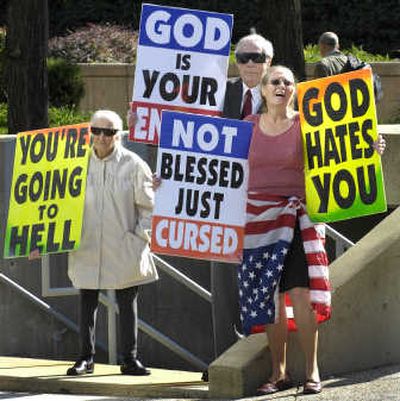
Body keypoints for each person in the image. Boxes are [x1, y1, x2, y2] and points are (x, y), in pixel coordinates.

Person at [240, 65, 385, 395]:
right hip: (259, 223)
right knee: (271, 299)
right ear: (262, 89)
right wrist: (162, 183)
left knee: (302, 297)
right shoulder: (246, 127)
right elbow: (213, 168)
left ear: (294, 90)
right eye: (275, 81)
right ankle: (278, 373)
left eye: (288, 82)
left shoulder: (307, 125)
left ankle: (311, 371)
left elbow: (341, 151)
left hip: (299, 219)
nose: (282, 86)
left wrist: (371, 149)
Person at [66, 109, 158, 376]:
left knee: (127, 302)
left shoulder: (134, 164)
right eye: (97, 130)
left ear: (119, 135)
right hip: (87, 243)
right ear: (89, 133)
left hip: (124, 243)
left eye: (109, 132)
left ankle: (129, 359)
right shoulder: (76, 163)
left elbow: (150, 207)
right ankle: (86, 358)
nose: (102, 137)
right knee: (86, 299)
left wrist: (139, 236)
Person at [211, 33, 274, 358]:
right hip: (222, 204)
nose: (250, 63)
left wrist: (369, 145)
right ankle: (225, 359)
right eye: (243, 57)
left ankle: (263, 359)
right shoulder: (217, 94)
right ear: (236, 62)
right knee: (223, 290)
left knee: (266, 285)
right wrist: (143, 126)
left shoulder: (282, 93)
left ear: (269, 62)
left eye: (257, 57)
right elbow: (184, 135)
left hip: (268, 206)